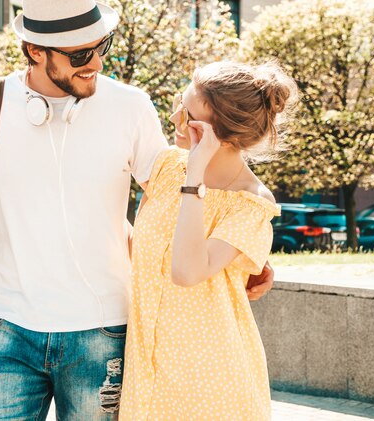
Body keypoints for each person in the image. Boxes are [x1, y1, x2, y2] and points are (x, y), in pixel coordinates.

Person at [0, 0, 274, 420]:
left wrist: (247, 249)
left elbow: (180, 189)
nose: (96, 64)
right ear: (34, 51)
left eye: (101, 47)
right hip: (6, 327)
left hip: (101, 330)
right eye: (80, 54)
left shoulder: (130, 106)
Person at [119, 61, 298, 420]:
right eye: (177, 104)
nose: (174, 120)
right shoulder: (168, 167)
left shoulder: (252, 203)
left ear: (221, 133)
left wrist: (195, 177)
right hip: (148, 374)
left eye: (185, 115)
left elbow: (186, 272)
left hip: (212, 384)